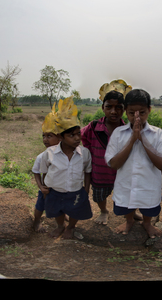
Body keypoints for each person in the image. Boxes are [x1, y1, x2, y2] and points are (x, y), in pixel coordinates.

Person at [105, 89, 162, 242]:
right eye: (131, 113)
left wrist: (142, 139)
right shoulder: (118, 133)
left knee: (148, 205)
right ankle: (129, 221)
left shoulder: (158, 134)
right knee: (126, 205)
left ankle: (147, 223)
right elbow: (114, 164)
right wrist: (132, 140)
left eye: (142, 112)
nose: (137, 117)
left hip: (148, 184)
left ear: (149, 110)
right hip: (126, 183)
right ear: (125, 112)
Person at [34, 97, 93, 240]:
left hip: (76, 190)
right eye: (71, 135)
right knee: (57, 212)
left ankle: (71, 226)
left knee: (75, 210)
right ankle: (60, 226)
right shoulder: (49, 154)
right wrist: (43, 188)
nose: (77, 138)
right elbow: (42, 171)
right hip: (55, 191)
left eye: (78, 134)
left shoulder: (84, 153)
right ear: (61, 137)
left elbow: (87, 172)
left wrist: (86, 189)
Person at [81, 79, 131, 225]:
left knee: (126, 195)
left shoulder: (127, 130)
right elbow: (83, 137)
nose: (113, 111)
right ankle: (104, 211)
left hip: (121, 174)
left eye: (118, 107)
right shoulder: (94, 126)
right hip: (99, 174)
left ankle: (129, 214)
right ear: (103, 107)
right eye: (109, 107)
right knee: (99, 196)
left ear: (124, 109)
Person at [30, 112, 62, 233]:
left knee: (61, 207)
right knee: (40, 206)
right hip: (46, 190)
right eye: (44, 136)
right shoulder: (41, 157)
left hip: (61, 189)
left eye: (49, 136)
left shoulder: (66, 156)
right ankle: (37, 220)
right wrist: (41, 186)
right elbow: (36, 172)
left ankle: (61, 224)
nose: (45, 139)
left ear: (60, 138)